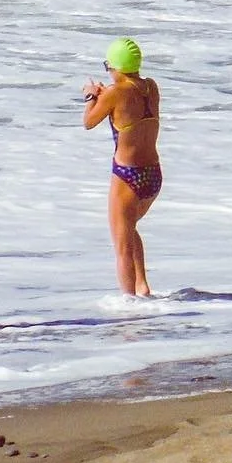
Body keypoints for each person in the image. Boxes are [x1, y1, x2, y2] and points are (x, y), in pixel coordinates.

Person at [82, 36, 161, 297]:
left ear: (115, 67)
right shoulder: (151, 87)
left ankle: (129, 305)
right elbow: (129, 106)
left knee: (121, 242)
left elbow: (89, 122)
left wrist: (91, 97)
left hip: (127, 176)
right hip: (153, 175)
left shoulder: (115, 93)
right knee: (128, 230)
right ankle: (142, 286)